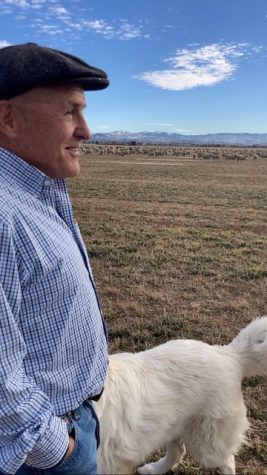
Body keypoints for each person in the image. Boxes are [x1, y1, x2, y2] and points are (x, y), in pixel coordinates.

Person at [0, 43, 110, 475]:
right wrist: (55, 447)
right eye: (70, 111)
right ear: (8, 118)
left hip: (68, 428)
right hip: (39, 453)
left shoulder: (36, 192)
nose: (86, 130)